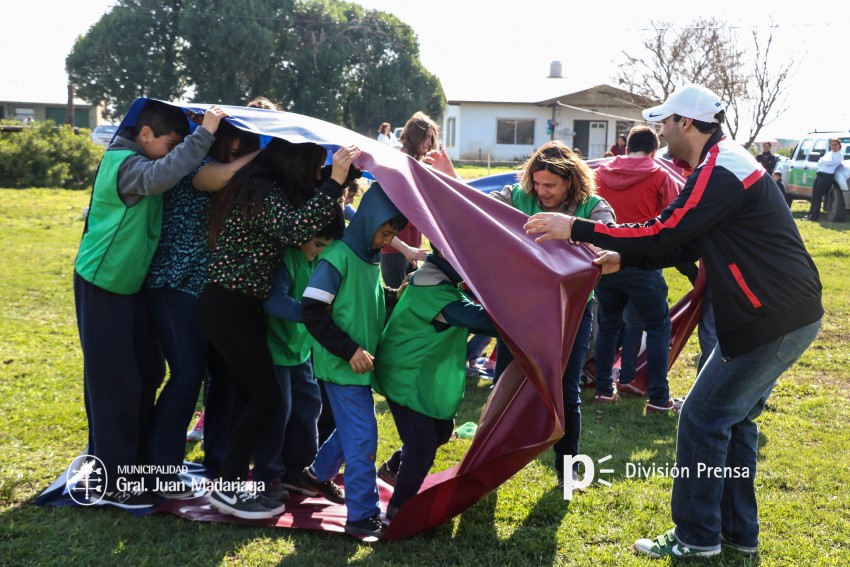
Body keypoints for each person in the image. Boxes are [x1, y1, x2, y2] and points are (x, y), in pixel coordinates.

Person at [525, 83, 822, 558]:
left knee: (701, 420)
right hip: (776, 315)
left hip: (772, 318)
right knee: (736, 421)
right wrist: (626, 260)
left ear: (686, 123)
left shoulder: (722, 167)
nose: (661, 130)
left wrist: (576, 227)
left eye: (666, 121)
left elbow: (664, 231)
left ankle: (696, 537)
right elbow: (686, 242)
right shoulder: (719, 163)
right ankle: (736, 534)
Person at [73, 100, 226, 509]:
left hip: (127, 286)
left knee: (145, 371)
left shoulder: (136, 155)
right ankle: (114, 481)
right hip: (102, 284)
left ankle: (130, 463)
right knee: (115, 382)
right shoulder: (126, 162)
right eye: (171, 142)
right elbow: (162, 175)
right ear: (145, 135)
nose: (176, 151)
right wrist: (204, 133)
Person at [197, 138, 358, 520]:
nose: (317, 174)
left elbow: (304, 219)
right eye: (314, 166)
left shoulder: (265, 188)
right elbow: (294, 228)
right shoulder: (259, 189)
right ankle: (230, 488)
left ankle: (232, 484)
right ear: (294, 161)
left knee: (252, 397)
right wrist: (333, 183)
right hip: (227, 305)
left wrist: (338, 181)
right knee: (266, 397)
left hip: (239, 306)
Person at [143, 121, 260, 497]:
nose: (238, 148)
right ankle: (160, 470)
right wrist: (266, 154)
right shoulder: (194, 162)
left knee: (223, 376)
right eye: (234, 141)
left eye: (247, 144)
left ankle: (219, 459)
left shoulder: (239, 173)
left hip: (209, 291)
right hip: (173, 285)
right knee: (187, 375)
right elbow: (217, 177)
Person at [490, 140, 615, 486]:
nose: (542, 192)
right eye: (538, 184)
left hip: (571, 310)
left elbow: (610, 240)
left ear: (570, 183)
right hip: (520, 308)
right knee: (505, 384)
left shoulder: (593, 206)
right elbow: (478, 210)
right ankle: (491, 463)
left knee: (565, 389)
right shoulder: (517, 195)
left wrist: (587, 240)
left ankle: (567, 470)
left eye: (551, 186)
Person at [298, 183, 407, 541]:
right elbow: (313, 311)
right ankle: (362, 516)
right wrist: (348, 350)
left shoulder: (369, 258)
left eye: (392, 234)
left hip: (358, 365)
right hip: (342, 365)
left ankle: (314, 475)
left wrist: (396, 296)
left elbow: (366, 303)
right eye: (384, 231)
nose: (386, 240)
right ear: (367, 220)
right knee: (363, 438)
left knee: (351, 432)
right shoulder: (337, 258)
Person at [373, 247, 496, 519]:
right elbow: (483, 321)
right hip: (404, 376)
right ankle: (398, 510)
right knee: (422, 445)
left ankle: (393, 469)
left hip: (415, 374)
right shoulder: (433, 291)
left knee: (440, 431)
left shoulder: (437, 279)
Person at [251, 205, 346, 501]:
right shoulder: (285, 259)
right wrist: (312, 314)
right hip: (276, 351)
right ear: (302, 233)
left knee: (309, 409)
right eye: (317, 244)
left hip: (302, 352)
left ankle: (300, 471)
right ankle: (267, 475)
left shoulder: (320, 262)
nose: (318, 252)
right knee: (279, 413)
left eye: (325, 248)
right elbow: (274, 302)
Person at [592, 125, 680, 412]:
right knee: (656, 326)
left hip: (605, 261)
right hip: (643, 261)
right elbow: (675, 219)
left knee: (607, 326)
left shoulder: (600, 173)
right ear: (654, 151)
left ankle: (605, 390)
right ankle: (658, 397)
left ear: (626, 146)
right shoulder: (659, 174)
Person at [380, 111, 457, 288]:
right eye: (427, 137)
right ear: (415, 136)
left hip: (411, 249)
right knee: (398, 303)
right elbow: (383, 217)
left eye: (432, 138)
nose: (430, 144)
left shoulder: (417, 164)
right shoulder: (400, 163)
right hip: (396, 249)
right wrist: (406, 250)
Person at [805, 138, 843, 221]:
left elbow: (831, 163)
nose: (833, 146)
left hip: (827, 176)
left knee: (818, 196)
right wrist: (825, 161)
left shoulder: (839, 155)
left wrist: (824, 161)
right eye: (832, 144)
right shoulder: (829, 153)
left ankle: (814, 217)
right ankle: (809, 214)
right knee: (814, 196)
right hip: (819, 175)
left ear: (839, 145)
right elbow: (819, 161)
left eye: (835, 144)